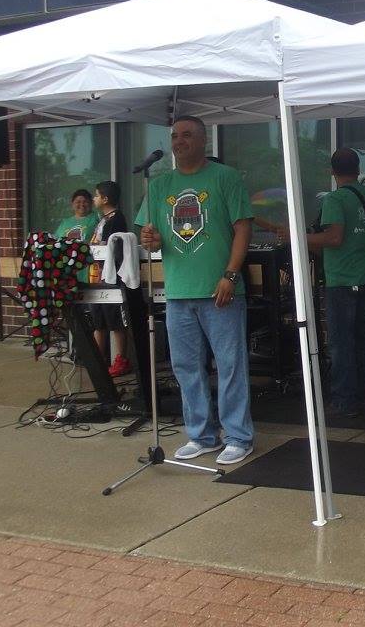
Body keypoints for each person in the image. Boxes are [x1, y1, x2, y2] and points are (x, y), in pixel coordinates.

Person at [137, 115, 255, 466]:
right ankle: (201, 434)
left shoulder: (226, 178)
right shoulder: (159, 185)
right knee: (186, 366)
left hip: (220, 290)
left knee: (230, 365)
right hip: (178, 290)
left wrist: (230, 276)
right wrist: (151, 239)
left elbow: (243, 229)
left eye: (187, 135)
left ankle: (238, 436)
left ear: (203, 141)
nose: (178, 141)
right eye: (174, 136)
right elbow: (153, 236)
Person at [267, 148, 365, 417]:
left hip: (341, 280)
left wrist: (296, 236)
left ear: (332, 172)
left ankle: (343, 401)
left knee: (340, 343)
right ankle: (361, 396)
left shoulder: (335, 199)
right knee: (361, 339)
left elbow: (334, 238)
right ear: (358, 169)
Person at [88, 180, 134, 376]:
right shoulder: (102, 219)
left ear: (105, 198)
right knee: (98, 320)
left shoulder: (116, 219)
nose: (94, 198)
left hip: (111, 276)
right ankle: (99, 360)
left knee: (114, 320)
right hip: (97, 275)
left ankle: (121, 359)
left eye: (96, 195)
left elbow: (114, 248)